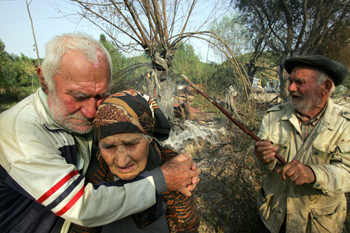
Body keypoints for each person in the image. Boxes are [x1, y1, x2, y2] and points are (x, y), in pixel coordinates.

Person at [0, 33, 201, 233]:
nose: (92, 111)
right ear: (44, 80)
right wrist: (162, 179)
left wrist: (178, 164)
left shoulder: (75, 115)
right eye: (79, 96)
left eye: (101, 95)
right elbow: (84, 208)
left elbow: (134, 109)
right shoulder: (22, 132)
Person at [69, 89, 199, 233]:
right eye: (109, 146)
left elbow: (186, 227)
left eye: (131, 144)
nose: (121, 161)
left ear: (149, 137)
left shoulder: (173, 166)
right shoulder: (96, 171)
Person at [253, 55, 350, 233]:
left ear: (325, 87)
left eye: (300, 82)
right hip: (273, 218)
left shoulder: (345, 124)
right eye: (290, 81)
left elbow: (348, 172)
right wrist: (263, 158)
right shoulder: (273, 115)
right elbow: (261, 167)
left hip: (317, 225)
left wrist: (314, 173)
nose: (290, 88)